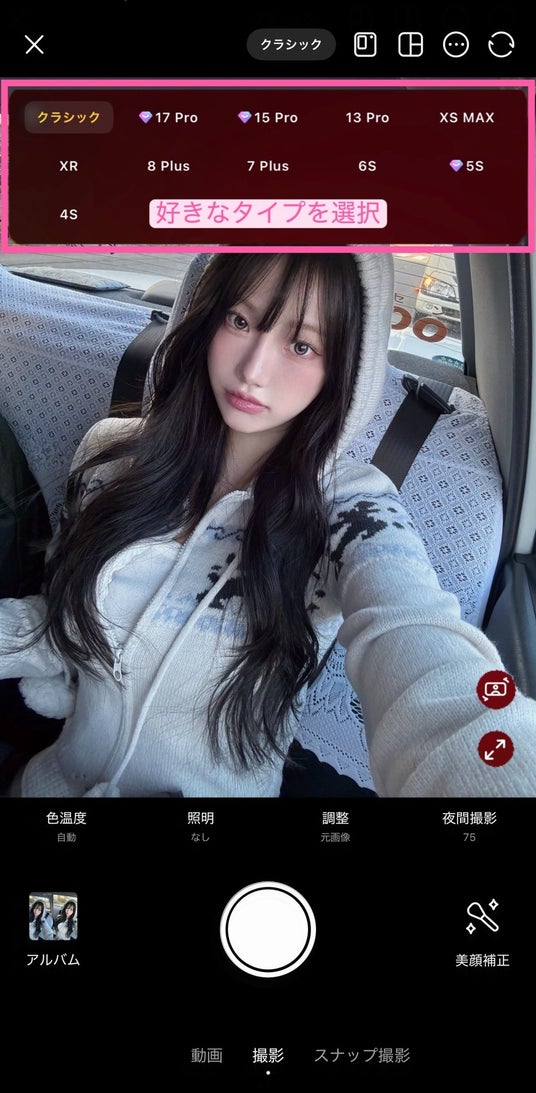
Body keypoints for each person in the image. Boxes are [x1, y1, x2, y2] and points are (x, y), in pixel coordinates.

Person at [1, 253, 536, 798]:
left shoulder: (350, 509)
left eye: (301, 346)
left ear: (345, 367)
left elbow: (421, 645)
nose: (253, 370)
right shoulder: (113, 458)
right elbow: (61, 620)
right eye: (240, 320)